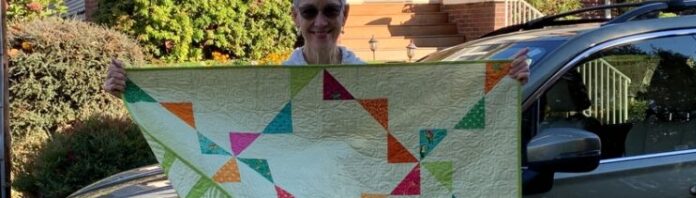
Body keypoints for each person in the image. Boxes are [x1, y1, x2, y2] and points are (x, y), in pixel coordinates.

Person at [103, 0, 530, 96]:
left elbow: (429, 99)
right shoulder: (273, 83)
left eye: (330, 10)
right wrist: (135, 88)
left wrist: (497, 83)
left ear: (344, 16)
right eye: (310, 11)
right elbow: (213, 100)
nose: (320, 22)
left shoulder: (369, 77)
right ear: (296, 18)